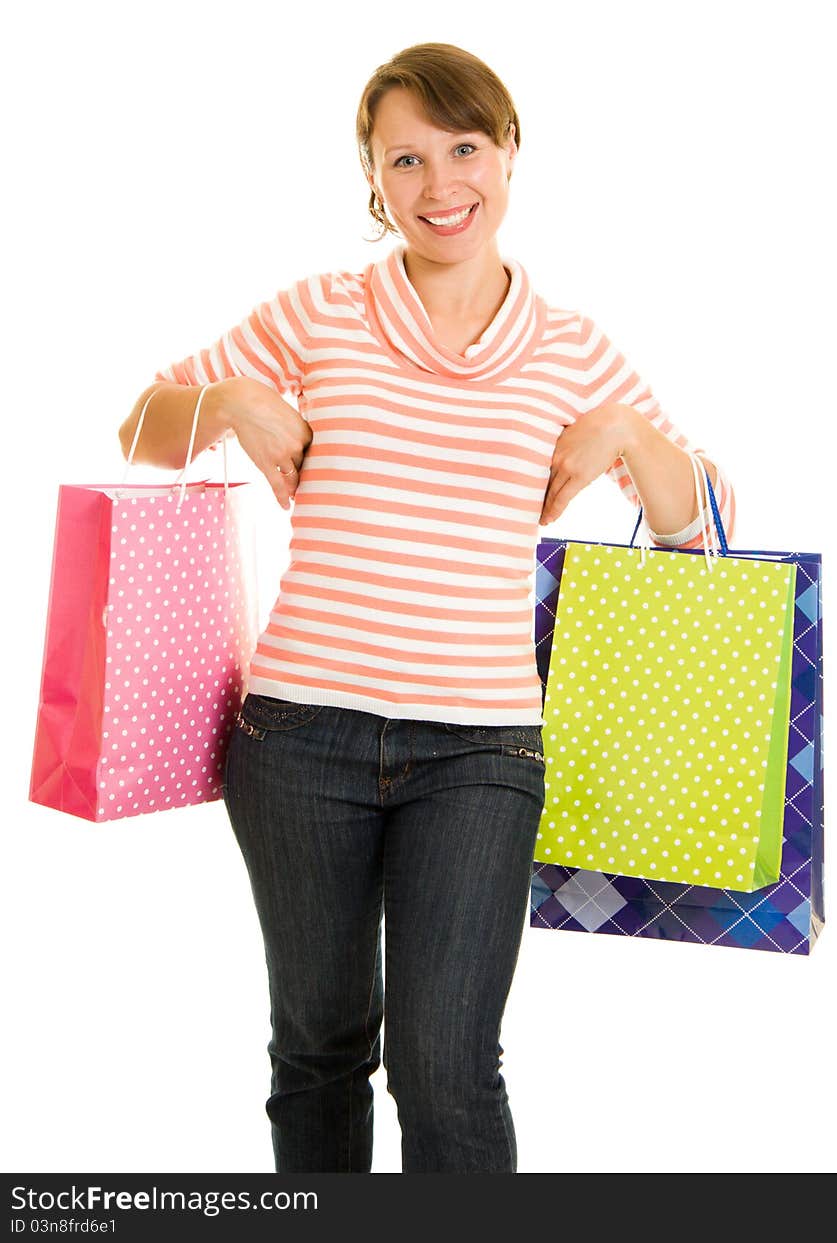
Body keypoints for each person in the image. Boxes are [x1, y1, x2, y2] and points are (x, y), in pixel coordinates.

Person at [118, 41, 735, 1174]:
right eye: (406, 160)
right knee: (319, 1047)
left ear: (507, 154)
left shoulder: (569, 348)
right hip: (298, 740)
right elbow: (140, 426)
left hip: (481, 754)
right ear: (373, 179)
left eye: (464, 149)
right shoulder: (318, 313)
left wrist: (629, 436)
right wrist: (233, 401)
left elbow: (701, 523)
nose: (440, 184)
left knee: (447, 1067)